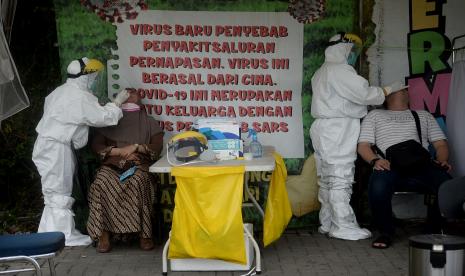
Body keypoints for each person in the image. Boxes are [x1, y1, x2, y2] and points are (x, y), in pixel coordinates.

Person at [309, 32, 404, 240]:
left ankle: (328, 222)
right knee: (340, 176)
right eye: (352, 51)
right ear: (344, 49)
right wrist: (387, 90)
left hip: (324, 128)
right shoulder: (340, 71)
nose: (353, 55)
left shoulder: (321, 71)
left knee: (326, 178)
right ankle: (343, 226)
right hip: (338, 128)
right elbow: (363, 94)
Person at [32, 57, 129, 246]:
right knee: (59, 189)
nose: (94, 79)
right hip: (57, 147)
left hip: (47, 144)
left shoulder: (58, 92)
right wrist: (117, 103)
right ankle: (63, 236)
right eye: (92, 76)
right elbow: (103, 117)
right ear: (84, 77)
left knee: (52, 191)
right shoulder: (78, 97)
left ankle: (49, 232)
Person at [357, 87, 452, 249]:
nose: (401, 90)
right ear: (385, 97)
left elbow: (441, 144)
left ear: (408, 95)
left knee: (446, 184)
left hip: (421, 166)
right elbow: (363, 146)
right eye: (396, 89)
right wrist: (375, 161)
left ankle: (432, 231)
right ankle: (386, 232)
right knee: (378, 184)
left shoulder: (423, 115)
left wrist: (442, 160)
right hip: (389, 165)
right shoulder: (375, 115)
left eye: (404, 89)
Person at [86, 88, 164, 253]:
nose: (129, 94)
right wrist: (117, 152)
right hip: (112, 165)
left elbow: (157, 147)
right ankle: (104, 235)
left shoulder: (149, 122)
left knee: (138, 182)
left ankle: (145, 235)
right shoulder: (109, 121)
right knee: (101, 183)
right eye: (125, 92)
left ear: (140, 101)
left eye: (133, 92)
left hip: (138, 165)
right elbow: (96, 145)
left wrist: (136, 147)